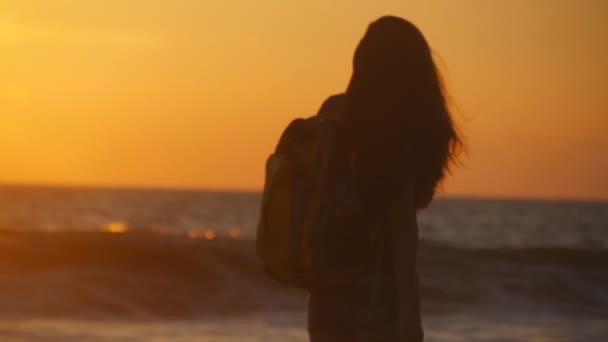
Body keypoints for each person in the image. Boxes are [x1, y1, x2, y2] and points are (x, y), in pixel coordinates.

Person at [307, 16, 463, 341]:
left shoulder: (331, 114)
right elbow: (403, 233)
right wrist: (411, 319)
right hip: (375, 304)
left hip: (324, 302)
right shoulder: (395, 135)